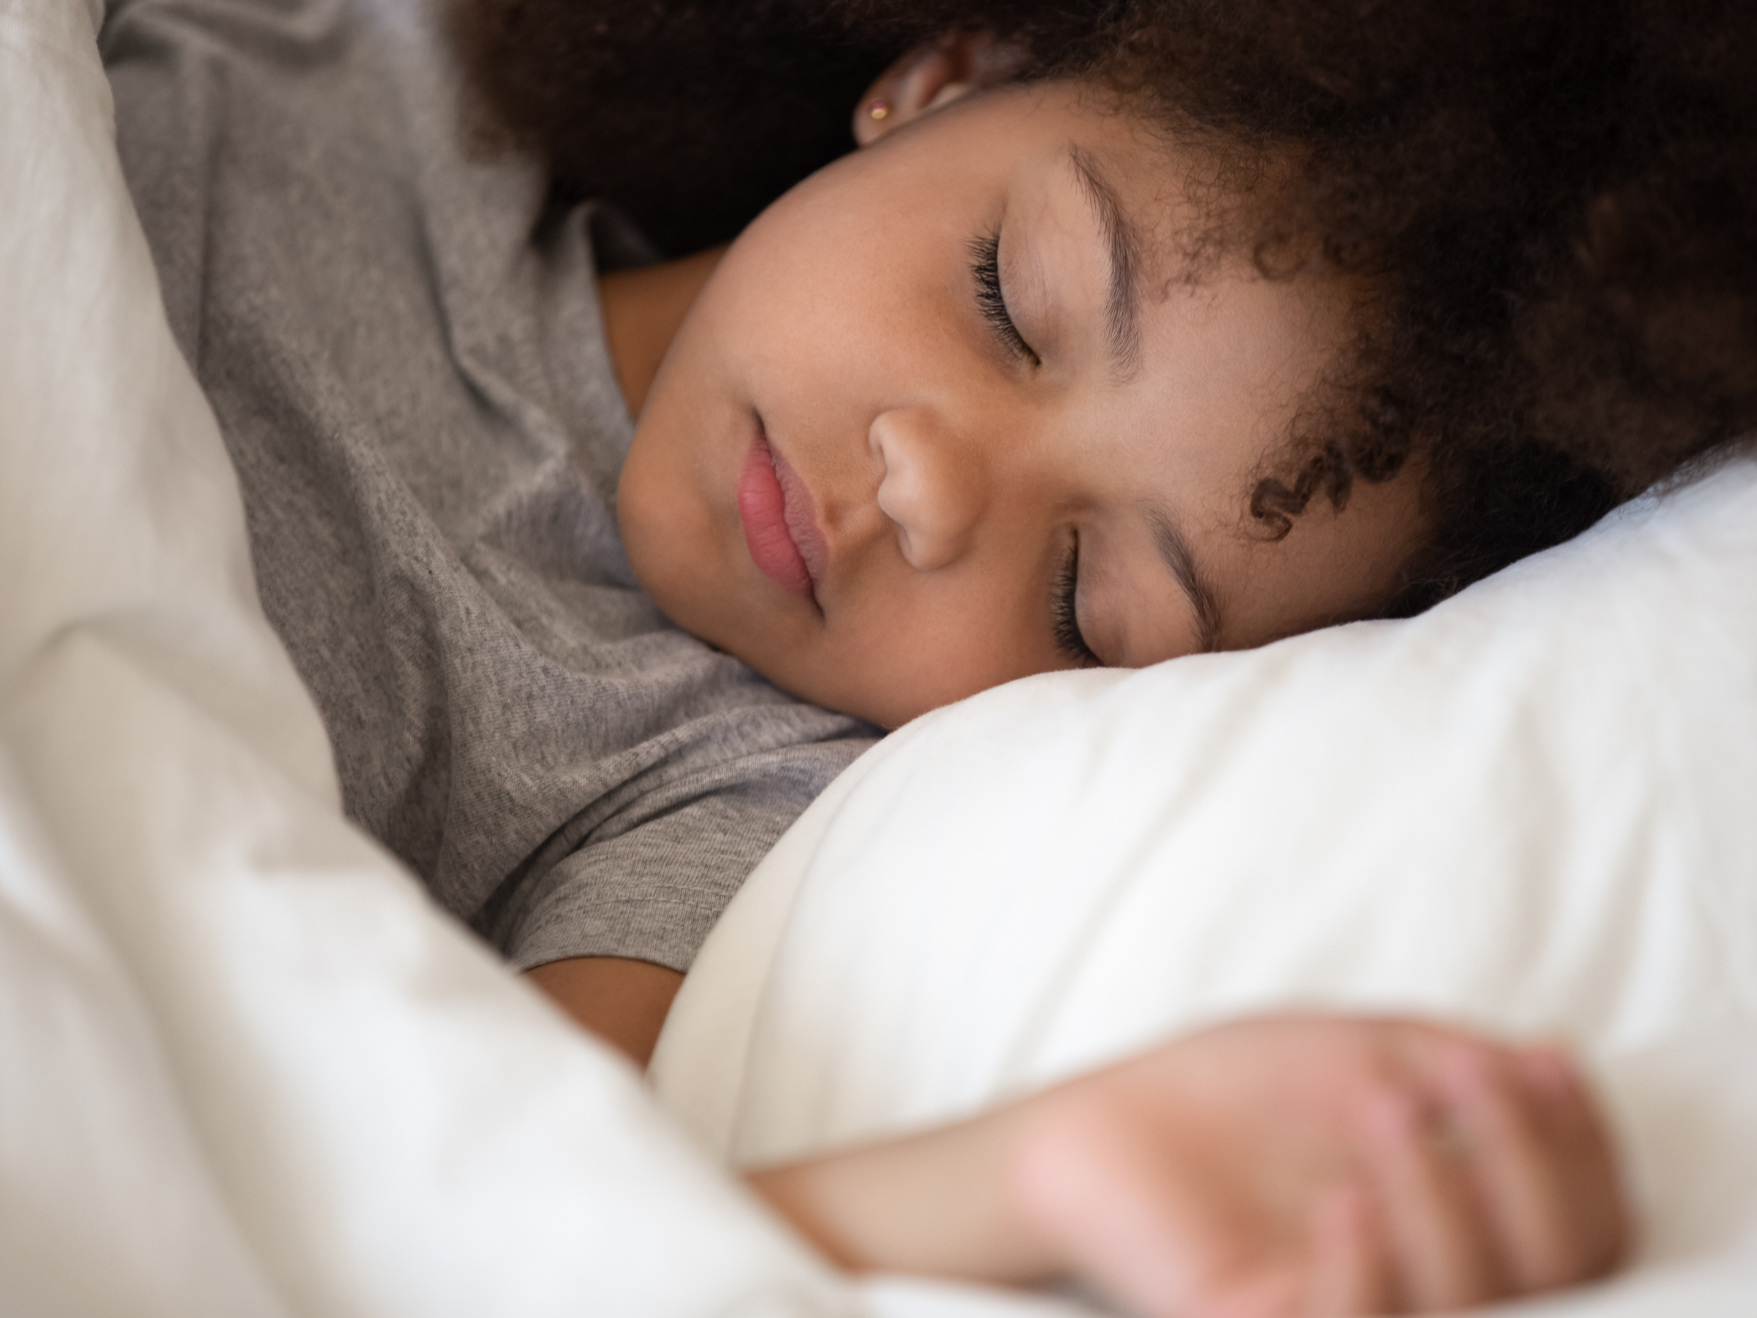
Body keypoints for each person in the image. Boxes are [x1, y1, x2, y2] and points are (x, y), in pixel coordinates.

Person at [101, 0, 1753, 1310]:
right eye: (1006, 300)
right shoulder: (363, 57)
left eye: (1086, 601)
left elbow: (522, 1227)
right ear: (940, 75)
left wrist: (1048, 1171)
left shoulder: (703, 796)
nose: (930, 484)